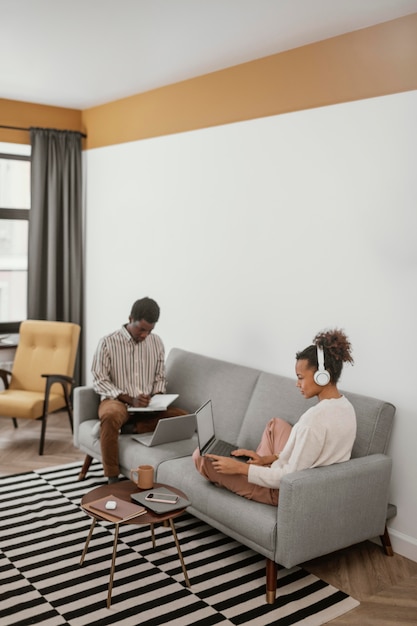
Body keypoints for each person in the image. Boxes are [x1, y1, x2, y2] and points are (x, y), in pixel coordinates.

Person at [193, 328, 356, 505]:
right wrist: (265, 459)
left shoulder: (313, 421)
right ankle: (261, 464)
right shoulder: (346, 407)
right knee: (276, 424)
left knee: (201, 458)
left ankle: (255, 474)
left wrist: (240, 468)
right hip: (309, 476)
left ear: (323, 376)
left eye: (301, 377)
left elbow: (289, 478)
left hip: (281, 491)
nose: (297, 384)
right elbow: (306, 456)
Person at [92, 297, 186, 483]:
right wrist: (129, 399)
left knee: (184, 417)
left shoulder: (156, 342)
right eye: (141, 329)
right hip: (117, 401)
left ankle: (132, 428)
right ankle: (112, 476)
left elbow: (160, 377)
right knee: (110, 416)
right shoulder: (107, 343)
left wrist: (157, 398)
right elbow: (99, 379)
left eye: (149, 330)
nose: (144, 335)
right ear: (130, 319)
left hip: (147, 405)